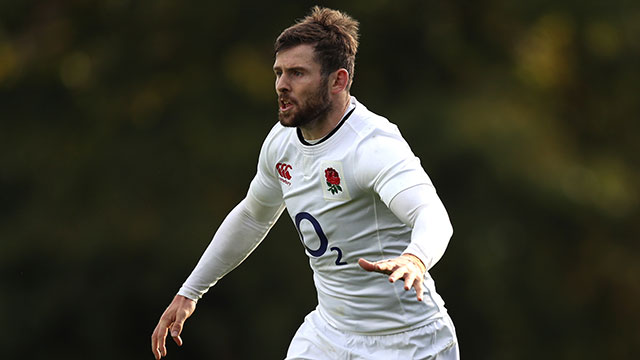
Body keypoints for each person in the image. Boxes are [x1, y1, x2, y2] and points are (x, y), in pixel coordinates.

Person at [151, 6, 459, 359]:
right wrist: (190, 291)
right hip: (329, 334)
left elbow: (431, 215)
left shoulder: (373, 146)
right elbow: (253, 215)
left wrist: (415, 259)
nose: (282, 85)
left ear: (338, 80)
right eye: (279, 72)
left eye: (297, 73)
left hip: (408, 343)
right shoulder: (281, 143)